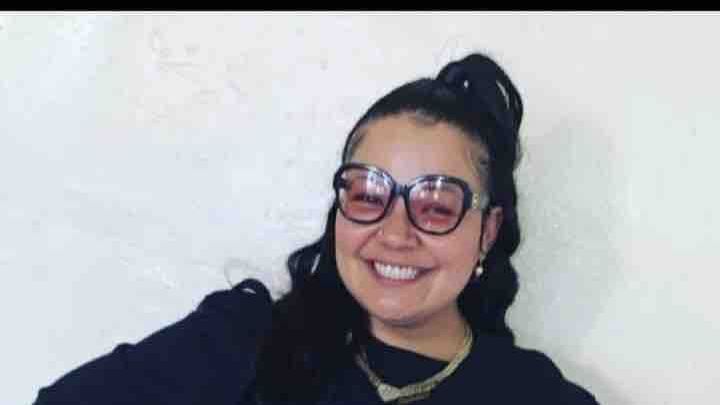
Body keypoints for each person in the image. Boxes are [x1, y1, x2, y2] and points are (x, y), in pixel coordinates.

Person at [34, 52, 599, 404]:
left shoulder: (535, 396)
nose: (395, 232)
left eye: (434, 205)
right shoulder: (241, 340)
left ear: (488, 231)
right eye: (369, 194)